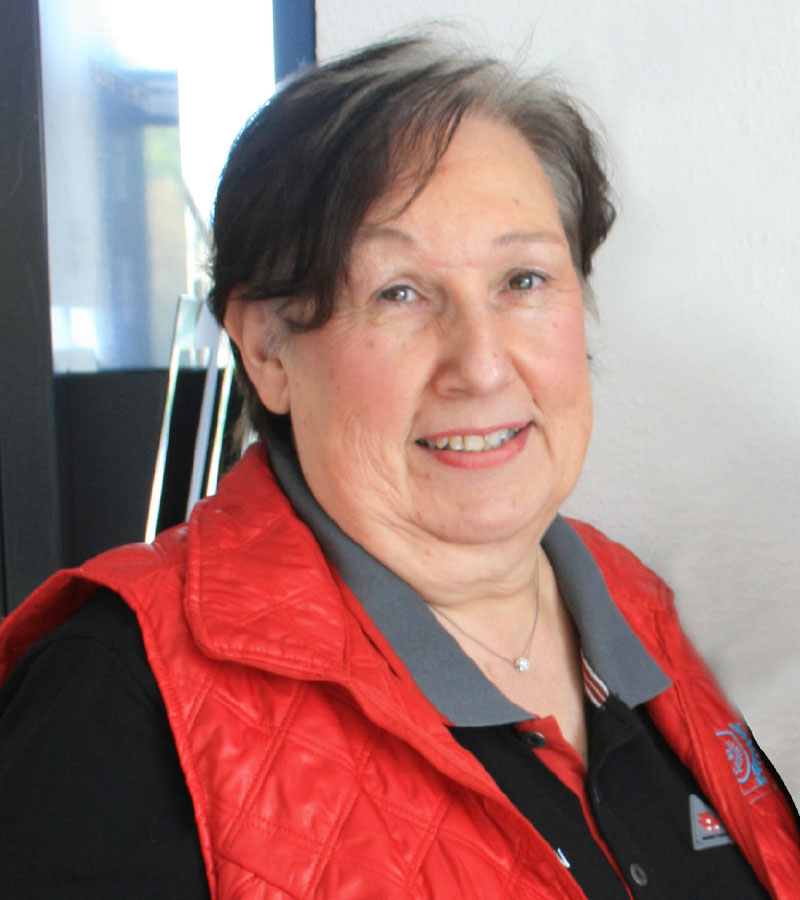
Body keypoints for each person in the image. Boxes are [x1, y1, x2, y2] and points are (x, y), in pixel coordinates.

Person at [1, 35, 798, 900]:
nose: (482, 365)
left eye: (523, 280)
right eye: (400, 293)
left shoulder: (635, 611)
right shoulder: (114, 698)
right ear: (268, 349)